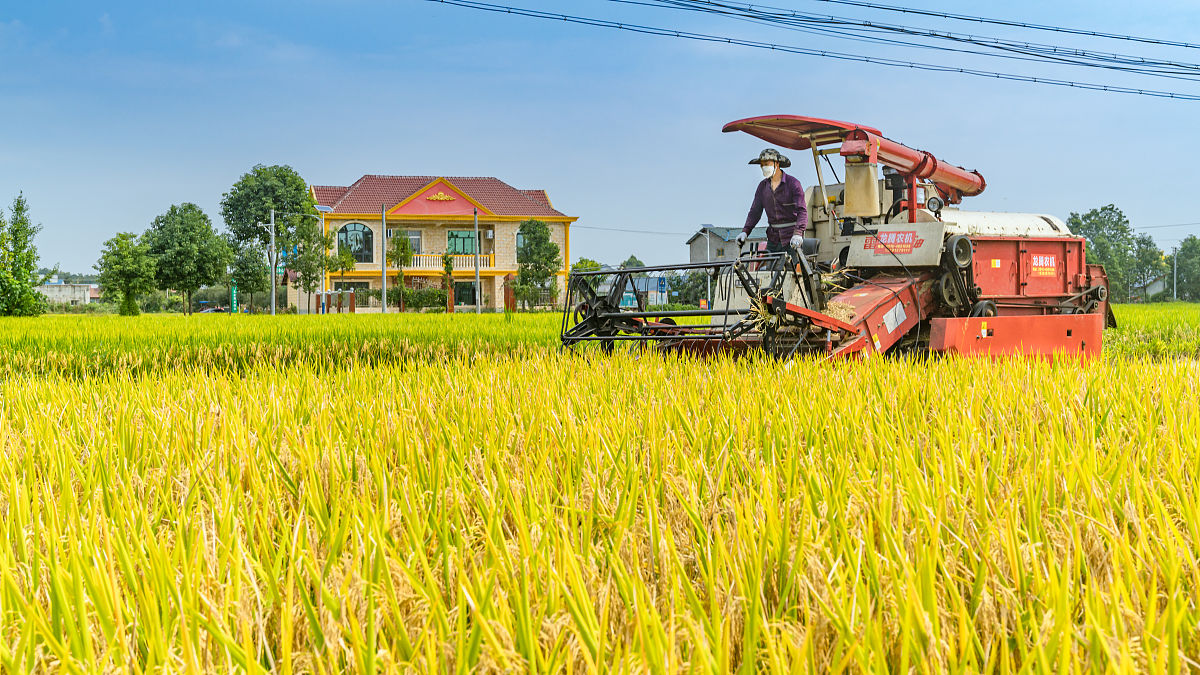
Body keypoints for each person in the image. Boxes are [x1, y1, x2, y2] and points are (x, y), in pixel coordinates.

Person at [736, 148, 808, 253]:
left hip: (792, 238)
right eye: (761, 165)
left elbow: (802, 211)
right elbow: (755, 212)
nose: (763, 167)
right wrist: (745, 231)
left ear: (776, 164)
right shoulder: (762, 187)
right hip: (773, 239)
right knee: (769, 263)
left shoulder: (793, 184)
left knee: (793, 263)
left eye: (766, 164)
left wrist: (798, 233)